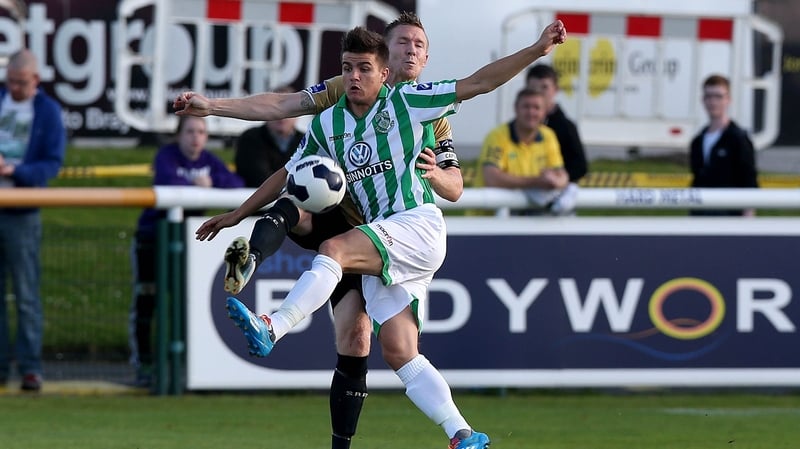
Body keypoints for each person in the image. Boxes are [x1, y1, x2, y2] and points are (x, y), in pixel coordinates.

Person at [194, 21, 566, 449]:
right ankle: (463, 433)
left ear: (383, 73)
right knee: (399, 352)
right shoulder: (327, 123)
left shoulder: (411, 102)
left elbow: (479, 82)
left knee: (334, 248)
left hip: (415, 225)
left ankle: (272, 326)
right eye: (348, 67)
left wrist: (536, 49)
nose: (354, 76)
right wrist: (238, 213)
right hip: (380, 239)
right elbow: (286, 175)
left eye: (364, 68)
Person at [175, 12, 463, 449]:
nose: (411, 49)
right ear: (385, 51)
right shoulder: (344, 90)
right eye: (402, 41)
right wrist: (213, 108)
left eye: (418, 44)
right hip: (344, 221)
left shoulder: (430, 112)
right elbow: (280, 105)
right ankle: (253, 264)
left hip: (390, 229)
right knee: (301, 193)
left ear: (421, 58)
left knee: (359, 336)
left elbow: (455, 185)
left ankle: (355, 440)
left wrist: (436, 177)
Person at [130, 116, 243, 388]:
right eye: (190, 131)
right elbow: (167, 181)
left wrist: (209, 186)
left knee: (184, 303)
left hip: (187, 243)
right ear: (179, 135)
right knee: (147, 301)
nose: (196, 137)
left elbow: (236, 185)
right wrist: (199, 187)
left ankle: (182, 365)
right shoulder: (166, 156)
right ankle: (144, 363)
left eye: (201, 132)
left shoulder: (209, 160)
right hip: (152, 241)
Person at [0, 49, 66, 392]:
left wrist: (14, 170)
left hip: (23, 211)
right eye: (10, 81)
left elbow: (52, 164)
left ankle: (30, 367)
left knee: (26, 294)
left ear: (35, 81)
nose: (14, 88)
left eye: (21, 83)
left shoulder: (48, 112)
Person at [472, 88, 569, 215]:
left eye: (536, 107)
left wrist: (557, 182)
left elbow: (560, 174)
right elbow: (492, 178)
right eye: (526, 107)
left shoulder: (548, 136)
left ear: (544, 112)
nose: (531, 112)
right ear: (516, 108)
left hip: (529, 217)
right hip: (487, 220)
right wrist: (537, 182)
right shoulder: (497, 136)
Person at [689, 74, 758, 216]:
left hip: (729, 215)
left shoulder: (738, 139)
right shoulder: (697, 141)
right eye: (709, 96)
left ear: (728, 100)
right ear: (703, 100)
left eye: (718, 96)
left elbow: (749, 179)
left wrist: (748, 213)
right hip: (700, 214)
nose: (713, 101)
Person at [525, 63, 587, 214]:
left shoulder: (565, 127)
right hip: (525, 196)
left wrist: (558, 179)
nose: (539, 93)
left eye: (544, 87)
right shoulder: (517, 126)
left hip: (558, 199)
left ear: (556, 90)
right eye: (534, 88)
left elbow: (580, 166)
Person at [234, 86, 304, 188]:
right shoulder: (250, 138)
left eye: (289, 109)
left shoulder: (307, 140)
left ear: (299, 112)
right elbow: (258, 178)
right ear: (265, 111)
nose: (282, 114)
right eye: (276, 108)